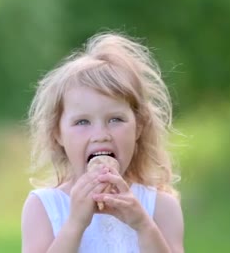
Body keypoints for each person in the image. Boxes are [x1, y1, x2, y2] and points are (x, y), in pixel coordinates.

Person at [21, 32, 184, 252]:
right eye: (82, 122)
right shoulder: (44, 207)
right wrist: (75, 224)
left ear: (139, 126)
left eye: (115, 119)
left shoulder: (161, 207)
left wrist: (143, 226)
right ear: (57, 134)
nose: (101, 135)